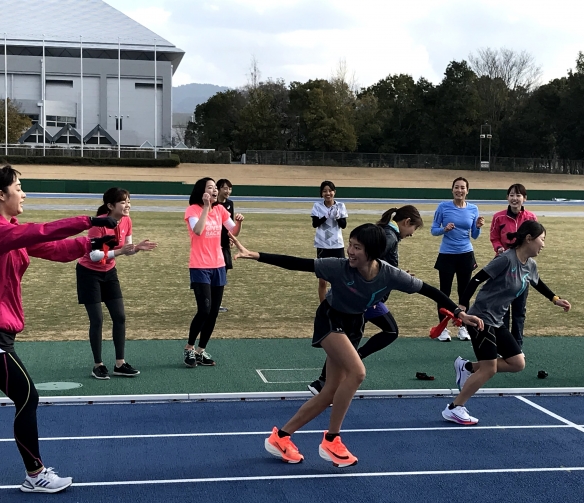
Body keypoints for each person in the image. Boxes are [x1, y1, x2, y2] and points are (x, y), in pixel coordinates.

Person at [229, 223, 482, 466]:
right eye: (350, 245)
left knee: (329, 391)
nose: (350, 251)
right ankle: (331, 439)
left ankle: (281, 437)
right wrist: (255, 254)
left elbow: (430, 291)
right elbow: (299, 264)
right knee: (358, 372)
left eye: (357, 247)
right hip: (330, 320)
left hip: (353, 326)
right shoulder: (339, 267)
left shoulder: (389, 274)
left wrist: (460, 314)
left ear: (372, 252)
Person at [0, 165, 118, 492]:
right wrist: (88, 221)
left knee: (26, 398)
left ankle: (34, 475)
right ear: (1, 194)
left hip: (3, 335)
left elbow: (55, 249)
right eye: (18, 187)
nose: (23, 193)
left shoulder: (11, 232)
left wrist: (95, 242)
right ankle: (35, 475)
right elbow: (43, 232)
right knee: (27, 397)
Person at [446, 220, 571, 425]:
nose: (543, 244)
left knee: (517, 363)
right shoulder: (505, 259)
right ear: (529, 239)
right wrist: (462, 307)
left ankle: (467, 367)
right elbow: (476, 279)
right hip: (481, 318)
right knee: (490, 368)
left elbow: (538, 284)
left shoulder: (530, 264)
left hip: (497, 320)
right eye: (542, 239)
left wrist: (556, 299)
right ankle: (454, 408)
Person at [307, 205, 424, 395]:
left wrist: (397, 276)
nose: (412, 234)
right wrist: (380, 280)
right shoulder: (389, 237)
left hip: (369, 296)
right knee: (390, 330)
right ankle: (329, 378)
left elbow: (381, 266)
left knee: (347, 337)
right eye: (414, 229)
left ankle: (324, 381)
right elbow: (369, 261)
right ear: (407, 222)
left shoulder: (390, 234)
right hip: (366, 297)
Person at [76, 188, 157, 380]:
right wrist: (121, 252)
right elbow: (94, 256)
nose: (127, 205)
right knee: (97, 320)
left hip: (109, 272)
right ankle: (98, 365)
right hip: (89, 273)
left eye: (129, 201)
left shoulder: (127, 220)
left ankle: (120, 363)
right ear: (111, 206)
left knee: (120, 317)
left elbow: (126, 248)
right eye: (123, 202)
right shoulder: (98, 225)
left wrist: (136, 248)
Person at [183, 177, 243, 368]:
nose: (215, 190)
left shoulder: (221, 210)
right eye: (211, 187)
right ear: (202, 191)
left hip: (218, 265)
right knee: (204, 310)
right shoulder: (193, 210)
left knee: (214, 312)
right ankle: (189, 348)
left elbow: (233, 230)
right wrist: (206, 207)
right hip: (200, 265)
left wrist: (239, 222)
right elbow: (198, 230)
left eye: (216, 187)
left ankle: (201, 351)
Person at [431, 177, 485, 342]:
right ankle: (442, 329)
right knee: (444, 293)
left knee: (464, 293)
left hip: (465, 254)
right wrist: (444, 229)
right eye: (456, 187)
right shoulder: (443, 207)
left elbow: (474, 236)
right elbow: (434, 230)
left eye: (462, 188)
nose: (459, 191)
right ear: (452, 189)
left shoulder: (473, 209)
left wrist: (477, 227)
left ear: (467, 191)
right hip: (447, 254)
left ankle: (463, 327)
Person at [489, 183, 538, 350]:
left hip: (523, 268)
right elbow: (494, 237)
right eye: (511, 195)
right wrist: (499, 248)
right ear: (507, 197)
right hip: (503, 267)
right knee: (502, 310)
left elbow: (536, 238)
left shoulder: (531, 218)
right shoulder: (498, 217)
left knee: (519, 311)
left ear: (524, 198)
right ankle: (502, 346)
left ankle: (517, 347)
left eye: (518, 195)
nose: (514, 198)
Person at [311, 180, 348, 302]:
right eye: (325, 191)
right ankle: (323, 307)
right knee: (323, 280)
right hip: (322, 245)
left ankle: (339, 305)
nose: (328, 193)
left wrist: (337, 217)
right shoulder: (317, 206)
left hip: (337, 245)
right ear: (321, 193)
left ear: (334, 192)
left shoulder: (340, 206)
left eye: (330, 191)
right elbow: (315, 224)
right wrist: (326, 216)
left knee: (340, 278)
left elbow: (343, 225)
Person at [215, 179, 244, 313]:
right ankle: (210, 301)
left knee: (222, 273)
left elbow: (230, 223)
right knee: (212, 273)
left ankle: (217, 303)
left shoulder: (230, 204)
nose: (228, 191)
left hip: (225, 243)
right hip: (213, 242)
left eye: (230, 189)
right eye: (225, 188)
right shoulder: (212, 204)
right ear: (218, 189)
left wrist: (232, 238)